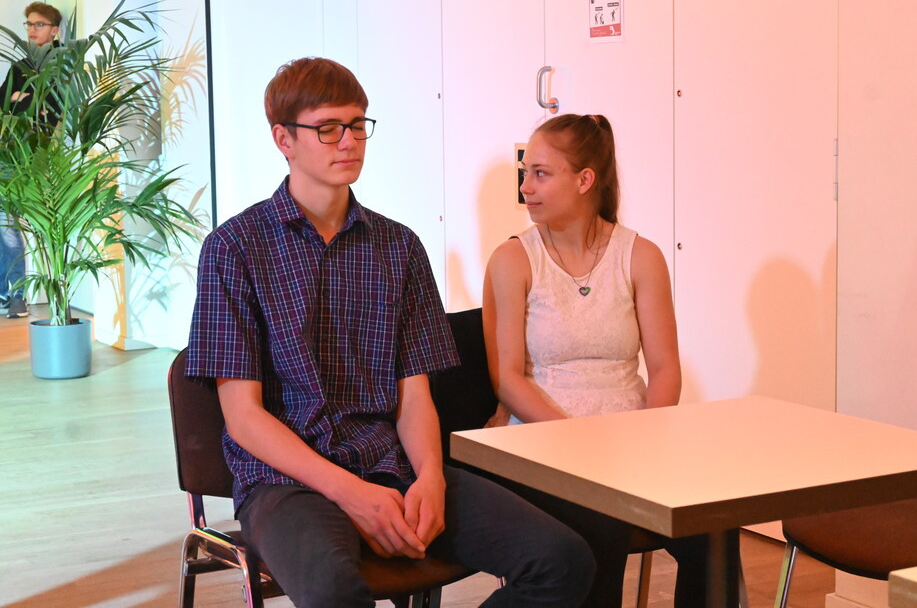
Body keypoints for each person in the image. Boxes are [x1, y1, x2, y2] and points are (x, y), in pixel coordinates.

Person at [185, 57, 595, 608]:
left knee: (562, 560)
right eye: (328, 128)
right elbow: (244, 418)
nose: (348, 141)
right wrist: (352, 494)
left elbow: (414, 396)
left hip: (390, 465)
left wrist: (431, 477)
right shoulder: (234, 248)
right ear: (284, 139)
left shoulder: (398, 247)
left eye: (358, 125)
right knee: (333, 590)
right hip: (286, 482)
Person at [483, 113, 707, 607]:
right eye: (525, 173)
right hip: (544, 444)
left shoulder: (640, 255)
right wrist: (576, 444)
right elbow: (508, 379)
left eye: (541, 174)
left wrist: (648, 437)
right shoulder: (514, 259)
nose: (526, 187)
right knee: (600, 526)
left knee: (709, 526)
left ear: (585, 180)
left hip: (629, 443)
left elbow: (665, 369)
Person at [0, 2, 61, 319]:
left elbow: (49, 112)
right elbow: (3, 103)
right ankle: (5, 291)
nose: (32, 30)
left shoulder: (63, 65)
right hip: (7, 151)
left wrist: (21, 100)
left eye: (39, 24)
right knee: (2, 224)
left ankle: (17, 294)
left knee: (8, 225)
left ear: (55, 30)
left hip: (33, 156)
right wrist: (21, 101)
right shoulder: (20, 65)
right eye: (29, 24)